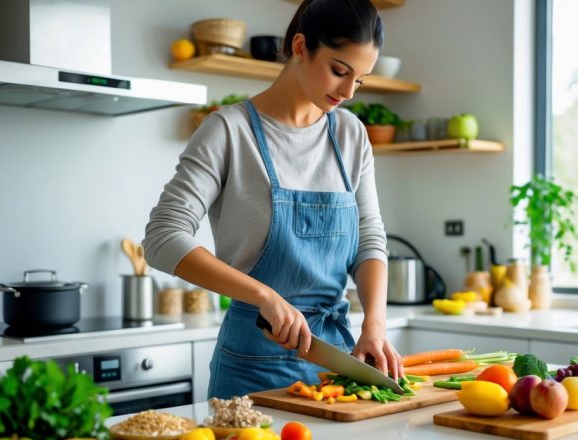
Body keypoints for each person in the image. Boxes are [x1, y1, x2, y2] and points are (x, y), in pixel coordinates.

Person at [142, 0, 403, 397]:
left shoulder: (351, 135)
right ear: (300, 47)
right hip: (250, 371)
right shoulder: (229, 131)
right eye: (339, 71)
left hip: (336, 369)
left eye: (361, 80)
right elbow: (162, 238)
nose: (349, 92)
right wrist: (264, 296)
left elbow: (368, 239)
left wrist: (374, 325)